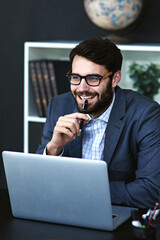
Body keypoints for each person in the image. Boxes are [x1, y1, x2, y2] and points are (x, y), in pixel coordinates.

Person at [36, 38, 160, 209]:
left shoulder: (146, 114)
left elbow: (151, 191)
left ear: (115, 79)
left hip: (118, 216)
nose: (82, 88)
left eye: (93, 78)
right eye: (76, 77)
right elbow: (38, 183)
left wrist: (83, 192)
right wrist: (53, 148)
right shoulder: (58, 106)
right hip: (66, 210)